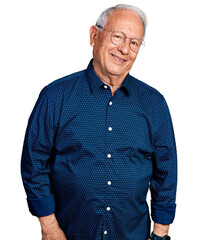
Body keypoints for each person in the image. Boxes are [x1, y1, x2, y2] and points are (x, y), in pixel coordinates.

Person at [21, 4, 177, 240]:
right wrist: (49, 225)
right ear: (94, 36)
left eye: (134, 43)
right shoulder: (55, 97)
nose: (125, 49)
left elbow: (166, 170)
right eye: (118, 37)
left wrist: (161, 232)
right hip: (68, 233)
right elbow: (34, 162)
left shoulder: (154, 104)